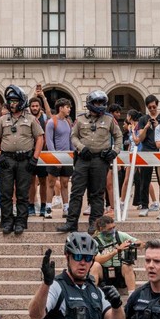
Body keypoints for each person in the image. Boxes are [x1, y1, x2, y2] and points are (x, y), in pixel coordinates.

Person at [60, 91, 123, 235]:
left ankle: (94, 225)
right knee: (76, 192)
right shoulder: (80, 119)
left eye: (102, 103)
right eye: (96, 103)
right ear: (90, 104)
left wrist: (115, 151)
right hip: (83, 159)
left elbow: (118, 136)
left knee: (97, 194)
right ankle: (71, 223)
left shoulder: (109, 119)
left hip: (100, 160)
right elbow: (73, 136)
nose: (99, 106)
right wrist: (81, 147)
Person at [0, 86, 43, 235]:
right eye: (10, 101)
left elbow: (39, 137)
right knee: (6, 192)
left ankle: (21, 222)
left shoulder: (31, 119)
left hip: (24, 160)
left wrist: (35, 158)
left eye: (15, 101)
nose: (12, 104)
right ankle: (7, 222)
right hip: (7, 159)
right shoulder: (3, 119)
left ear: (21, 102)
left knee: (22, 193)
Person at [92, 212, 138, 292]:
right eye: (109, 229)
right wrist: (117, 250)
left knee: (127, 265)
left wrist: (134, 244)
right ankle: (92, 294)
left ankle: (132, 295)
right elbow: (98, 259)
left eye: (114, 227)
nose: (113, 231)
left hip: (119, 273)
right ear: (101, 229)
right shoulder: (94, 240)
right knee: (95, 265)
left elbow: (140, 243)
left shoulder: (120, 235)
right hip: (104, 275)